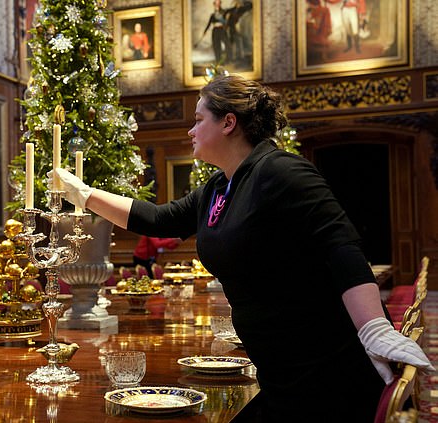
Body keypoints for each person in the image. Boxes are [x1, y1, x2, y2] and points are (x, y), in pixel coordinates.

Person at [52, 74, 434, 421]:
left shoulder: (282, 171)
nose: (190, 130)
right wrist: (84, 195)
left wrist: (373, 328)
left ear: (228, 122)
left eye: (199, 119)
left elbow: (342, 248)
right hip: (282, 374)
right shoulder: (221, 186)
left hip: (324, 373)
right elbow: (157, 219)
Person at [198, 0, 230, 64]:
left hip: (222, 30)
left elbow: (226, 21)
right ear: (214, 4)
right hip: (215, 31)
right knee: (216, 46)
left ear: (220, 4)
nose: (217, 4)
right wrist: (205, 31)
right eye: (216, 3)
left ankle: (227, 60)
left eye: (218, 3)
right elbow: (209, 24)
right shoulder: (212, 15)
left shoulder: (224, 13)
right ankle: (218, 61)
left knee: (227, 45)